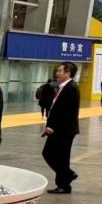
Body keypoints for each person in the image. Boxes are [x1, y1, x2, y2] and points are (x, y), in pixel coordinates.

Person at [42, 62, 80, 194]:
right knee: (58, 156)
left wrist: (53, 127)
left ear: (68, 73)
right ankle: (65, 181)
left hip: (64, 130)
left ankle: (65, 181)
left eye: (59, 71)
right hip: (60, 128)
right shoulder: (64, 87)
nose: (57, 73)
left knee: (54, 155)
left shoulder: (71, 88)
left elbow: (66, 113)